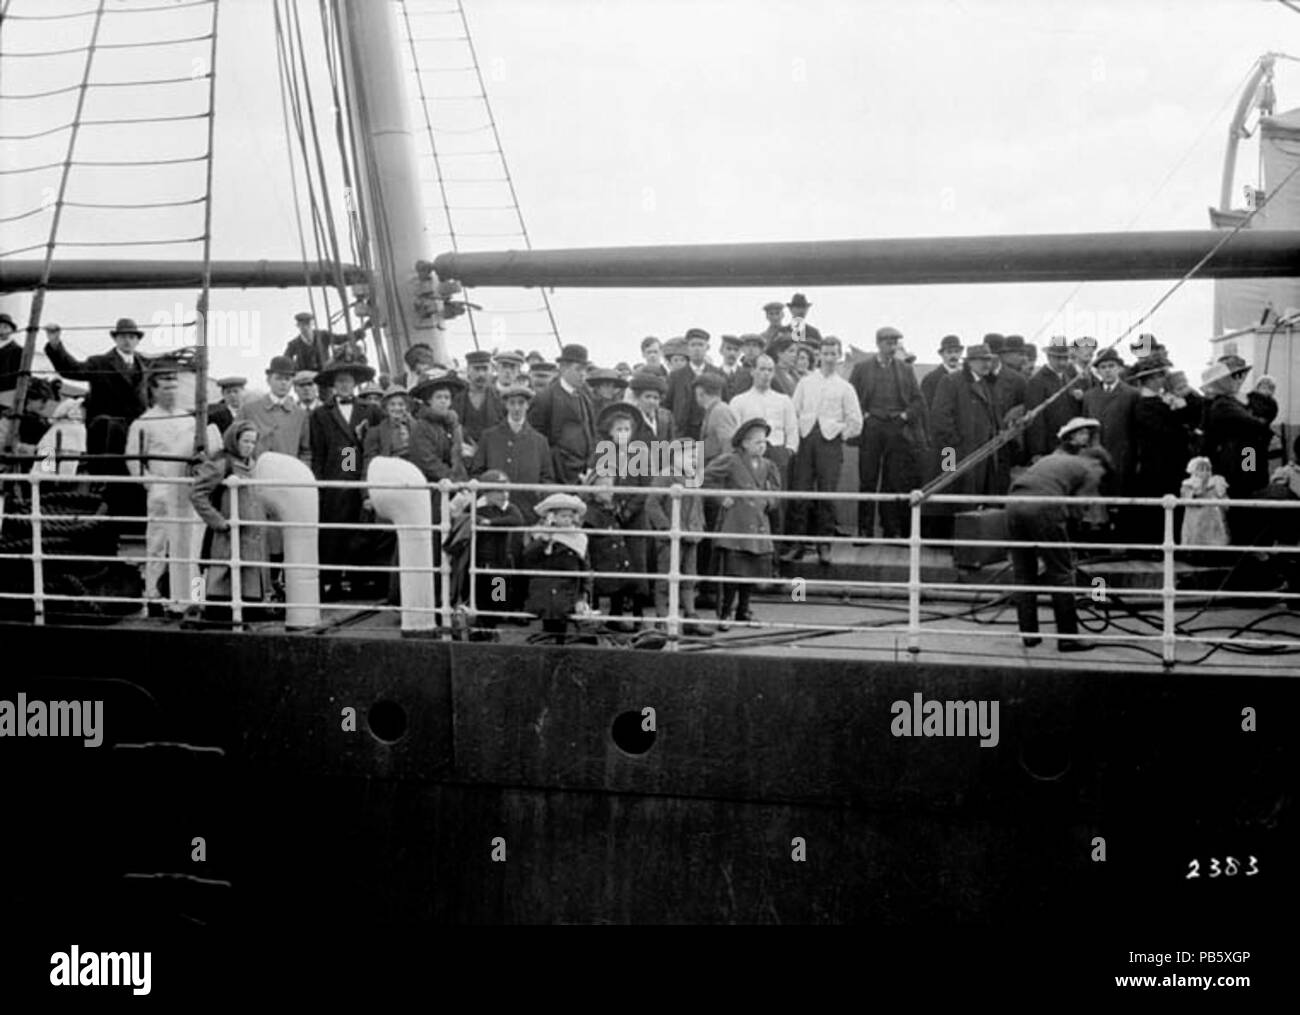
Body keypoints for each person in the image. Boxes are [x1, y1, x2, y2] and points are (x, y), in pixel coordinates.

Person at [43, 318, 152, 550]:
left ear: (137, 340)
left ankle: (133, 529)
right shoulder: (100, 362)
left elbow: (149, 398)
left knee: (135, 480)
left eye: (132, 336)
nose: (128, 340)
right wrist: (55, 344)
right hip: (107, 436)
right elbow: (71, 369)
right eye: (123, 336)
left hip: (136, 434)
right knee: (113, 481)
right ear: (115, 338)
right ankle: (109, 534)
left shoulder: (145, 365)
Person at [1005, 417, 1110, 652]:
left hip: (1014, 504)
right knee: (1062, 573)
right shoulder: (1089, 467)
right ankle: (1068, 638)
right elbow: (1078, 508)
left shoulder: (1049, 459)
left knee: (1024, 573)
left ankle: (1029, 634)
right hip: (1045, 506)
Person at [309, 358, 383, 600]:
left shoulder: (370, 410)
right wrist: (319, 484)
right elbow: (318, 451)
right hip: (335, 480)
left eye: (348, 381)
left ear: (355, 384)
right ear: (333, 385)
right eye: (339, 381)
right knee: (334, 532)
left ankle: (360, 580)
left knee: (361, 531)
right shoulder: (320, 414)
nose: (344, 385)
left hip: (362, 477)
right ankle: (331, 582)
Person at [786, 336, 863, 564]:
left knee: (826, 495)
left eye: (833, 354)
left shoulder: (845, 387)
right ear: (819, 355)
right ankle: (798, 544)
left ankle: (824, 545)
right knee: (801, 493)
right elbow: (793, 411)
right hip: (806, 441)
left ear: (839, 356)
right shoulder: (806, 383)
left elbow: (856, 422)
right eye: (825, 353)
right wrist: (799, 435)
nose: (829, 358)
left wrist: (839, 434)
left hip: (830, 445)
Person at [189, 420, 272, 623]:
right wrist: (218, 521)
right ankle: (201, 604)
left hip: (251, 535)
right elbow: (197, 493)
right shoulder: (222, 462)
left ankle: (252, 605)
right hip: (227, 533)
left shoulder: (254, 463)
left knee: (249, 570)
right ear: (235, 440)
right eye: (245, 442)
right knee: (214, 568)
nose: (249, 446)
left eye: (253, 442)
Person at [850, 326, 925, 541]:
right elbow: (851, 397)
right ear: (878, 344)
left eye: (895, 343)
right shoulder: (861, 368)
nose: (892, 347)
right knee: (867, 479)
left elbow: (918, 401)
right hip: (871, 427)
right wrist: (864, 416)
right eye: (888, 343)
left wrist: (903, 417)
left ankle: (891, 530)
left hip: (896, 428)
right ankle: (865, 530)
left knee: (893, 480)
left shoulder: (905, 369)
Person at [705, 418, 781, 630]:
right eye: (757, 442)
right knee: (733, 572)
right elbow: (705, 478)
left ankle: (743, 610)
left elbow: (777, 491)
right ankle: (725, 612)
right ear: (744, 443)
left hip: (757, 524)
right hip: (736, 524)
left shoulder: (768, 466)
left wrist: (769, 501)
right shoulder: (730, 460)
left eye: (764, 442)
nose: (762, 446)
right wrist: (722, 497)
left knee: (751, 571)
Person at [1200, 356, 1273, 548]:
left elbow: (1266, 413)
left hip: (1245, 453)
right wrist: (1259, 423)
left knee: (1251, 491)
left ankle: (1250, 541)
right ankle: (1244, 542)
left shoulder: (1238, 401)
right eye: (1234, 376)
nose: (1238, 380)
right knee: (1245, 492)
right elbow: (1256, 425)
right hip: (1241, 454)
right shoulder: (1222, 404)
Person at [443, 469, 524, 634]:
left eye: (506, 490)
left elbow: (517, 520)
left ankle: (492, 626)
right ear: (487, 492)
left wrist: (490, 523)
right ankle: (480, 628)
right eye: (499, 491)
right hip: (478, 561)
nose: (504, 495)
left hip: (498, 563)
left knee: (498, 599)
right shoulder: (476, 507)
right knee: (478, 595)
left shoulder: (509, 509)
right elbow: (461, 518)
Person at [728, 354, 798, 535]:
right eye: (761, 369)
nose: (766, 374)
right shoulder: (739, 401)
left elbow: (792, 429)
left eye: (770, 370)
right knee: (751, 500)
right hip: (749, 456)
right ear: (753, 372)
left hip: (777, 454)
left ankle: (776, 548)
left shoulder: (783, 400)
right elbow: (734, 431)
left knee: (776, 500)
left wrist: (788, 450)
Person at [471, 384, 554, 524]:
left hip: (528, 512)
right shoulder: (489, 437)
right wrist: (489, 496)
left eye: (521, 403)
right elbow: (477, 472)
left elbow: (547, 478)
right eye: (512, 403)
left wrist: (538, 501)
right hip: (494, 513)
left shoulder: (540, 441)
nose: (516, 408)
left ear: (528, 406)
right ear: (506, 405)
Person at [929, 343, 1001, 500]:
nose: (986, 364)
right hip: (953, 451)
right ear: (970, 362)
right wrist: (955, 447)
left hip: (981, 452)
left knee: (976, 494)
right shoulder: (951, 381)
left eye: (988, 360)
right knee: (949, 489)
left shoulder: (986, 384)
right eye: (981, 360)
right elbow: (940, 418)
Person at [1130, 356, 1188, 549]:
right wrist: (1179, 417)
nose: (1165, 379)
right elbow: (1167, 432)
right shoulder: (1145, 405)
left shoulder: (1159, 401)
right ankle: (1155, 545)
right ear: (1151, 379)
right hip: (1157, 463)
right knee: (1158, 504)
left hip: (1166, 462)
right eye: (1161, 375)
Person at [521, 492, 592, 642]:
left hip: (568, 591)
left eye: (570, 516)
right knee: (548, 628)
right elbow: (528, 557)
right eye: (563, 516)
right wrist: (544, 540)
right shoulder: (540, 535)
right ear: (552, 516)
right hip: (544, 589)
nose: (567, 520)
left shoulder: (579, 539)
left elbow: (585, 568)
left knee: (561, 629)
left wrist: (584, 595)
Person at [528, 343, 596, 485]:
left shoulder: (585, 398)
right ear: (563, 368)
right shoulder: (545, 398)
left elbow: (590, 432)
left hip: (583, 473)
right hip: (557, 473)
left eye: (585, 369)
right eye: (578, 369)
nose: (583, 374)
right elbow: (535, 440)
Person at [1081, 346, 1139, 507]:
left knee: (1120, 500)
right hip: (1096, 457)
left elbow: (1136, 430)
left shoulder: (1132, 394)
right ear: (1097, 371)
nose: (1107, 371)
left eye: (1111, 366)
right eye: (1103, 367)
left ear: (1119, 368)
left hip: (1123, 456)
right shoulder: (1090, 396)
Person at [1023, 337, 1078, 463]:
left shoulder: (1067, 377)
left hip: (1066, 443)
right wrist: (1037, 451)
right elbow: (1035, 419)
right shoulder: (1037, 381)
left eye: (1065, 358)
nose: (1063, 363)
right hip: (1049, 447)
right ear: (1048, 357)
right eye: (1058, 358)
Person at [663, 328, 723, 437]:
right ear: (687, 348)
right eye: (693, 345)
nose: (697, 349)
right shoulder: (676, 376)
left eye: (700, 345)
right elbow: (667, 405)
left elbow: (724, 402)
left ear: (707, 347)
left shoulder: (717, 374)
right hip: (684, 432)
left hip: (710, 432)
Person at [282, 310, 370, 373]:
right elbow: (286, 361)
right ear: (298, 326)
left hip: (324, 375)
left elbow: (341, 339)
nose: (305, 328)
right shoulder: (294, 344)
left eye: (307, 325)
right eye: (302, 326)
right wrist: (297, 371)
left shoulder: (323, 336)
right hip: (307, 380)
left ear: (312, 324)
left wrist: (360, 331)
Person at [453, 349, 505, 447]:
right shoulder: (458, 400)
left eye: (485, 369)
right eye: (476, 369)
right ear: (468, 370)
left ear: (491, 371)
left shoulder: (501, 398)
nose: (481, 374)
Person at [1179, 456, 1229, 550]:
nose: (1205, 472)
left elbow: (1223, 499)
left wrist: (1222, 499)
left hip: (1213, 517)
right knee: (1195, 537)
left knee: (1214, 538)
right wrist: (1201, 488)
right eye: (1201, 469)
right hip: (1195, 518)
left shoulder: (1216, 482)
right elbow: (1187, 499)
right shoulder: (1188, 484)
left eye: (1207, 469)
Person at [921, 335, 963, 409]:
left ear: (961, 353)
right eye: (949, 352)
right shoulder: (931, 379)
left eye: (956, 352)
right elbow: (925, 408)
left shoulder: (966, 377)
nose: (953, 356)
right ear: (941, 354)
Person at [717, 334, 752, 400]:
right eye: (728, 349)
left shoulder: (748, 374)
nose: (732, 353)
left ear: (740, 353)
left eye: (736, 350)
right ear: (721, 350)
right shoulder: (714, 373)